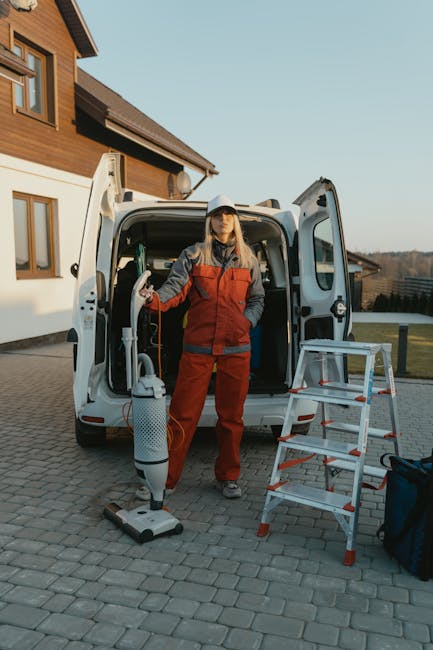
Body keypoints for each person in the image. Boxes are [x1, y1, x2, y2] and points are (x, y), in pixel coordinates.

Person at [138, 194, 264, 499]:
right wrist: (152, 299)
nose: (224, 219)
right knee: (182, 415)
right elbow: (174, 290)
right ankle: (164, 481)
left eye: (229, 214)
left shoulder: (249, 259)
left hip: (237, 348)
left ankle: (228, 477)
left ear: (236, 221)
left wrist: (245, 323)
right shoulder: (193, 255)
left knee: (232, 418)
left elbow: (258, 299)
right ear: (210, 220)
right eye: (218, 214)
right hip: (198, 347)